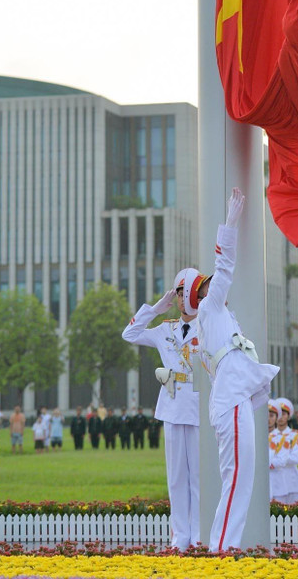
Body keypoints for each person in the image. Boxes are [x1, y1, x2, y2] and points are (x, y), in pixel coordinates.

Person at [187, 188, 279, 553]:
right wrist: (230, 224)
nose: (217, 286)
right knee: (238, 476)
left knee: (239, 476)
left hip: (232, 397)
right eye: (209, 286)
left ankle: (224, 546)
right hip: (231, 398)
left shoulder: (214, 318)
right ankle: (222, 550)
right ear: (203, 293)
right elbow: (224, 267)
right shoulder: (209, 310)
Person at [122, 270, 201, 549]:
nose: (182, 299)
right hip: (171, 405)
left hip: (199, 406)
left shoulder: (209, 325)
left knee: (199, 478)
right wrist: (154, 310)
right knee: (177, 478)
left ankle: (200, 537)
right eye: (178, 294)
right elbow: (129, 334)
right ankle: (180, 539)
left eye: (187, 293)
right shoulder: (165, 328)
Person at [268, 398, 298, 504]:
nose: (281, 418)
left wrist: (277, 460)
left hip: (291, 481)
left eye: (284, 414)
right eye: (279, 414)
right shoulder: (269, 435)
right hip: (275, 481)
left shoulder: (296, 435)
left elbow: (295, 459)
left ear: (289, 416)